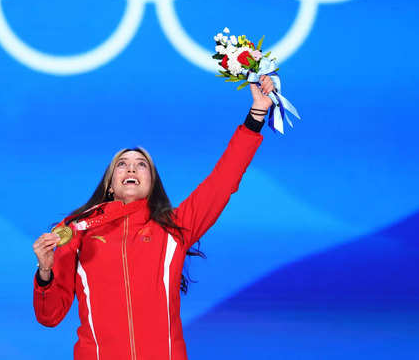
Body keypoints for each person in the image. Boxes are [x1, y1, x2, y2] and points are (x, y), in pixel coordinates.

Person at [33, 76, 276, 360]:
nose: (131, 169)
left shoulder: (175, 228)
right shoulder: (77, 230)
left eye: (141, 165)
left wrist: (256, 115)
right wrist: (45, 273)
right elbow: (49, 316)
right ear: (111, 183)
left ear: (152, 183)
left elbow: (223, 180)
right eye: (121, 164)